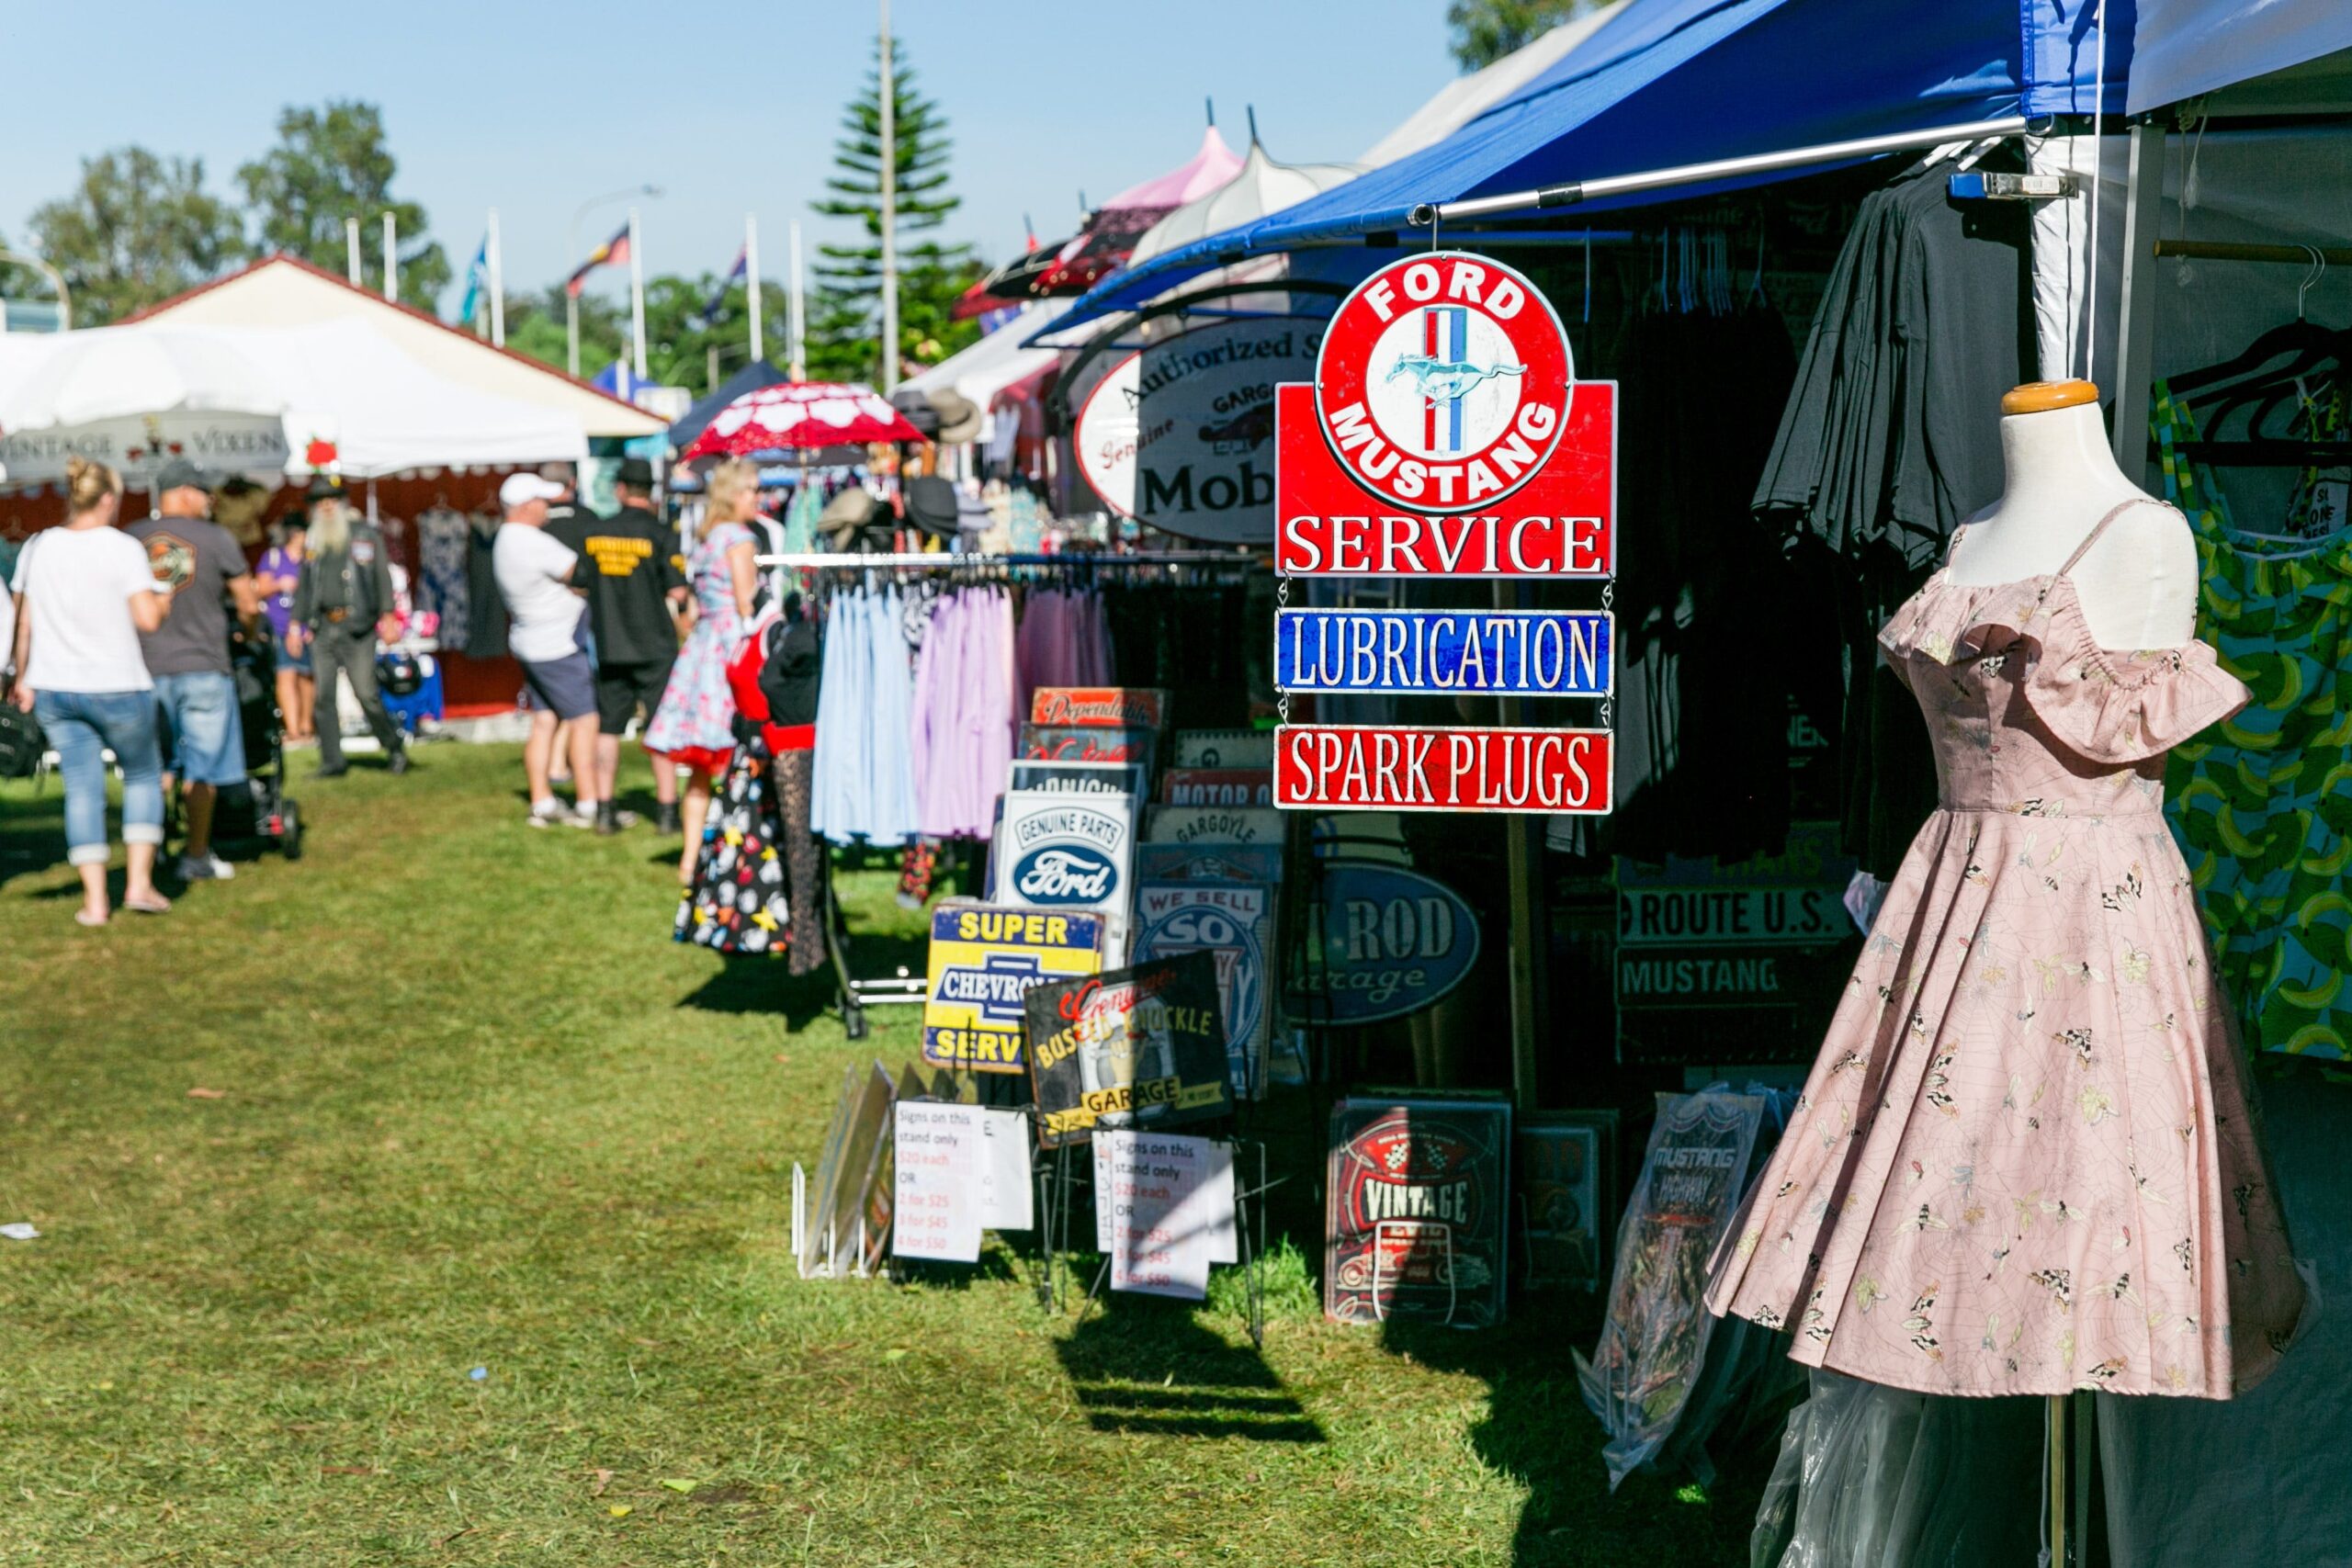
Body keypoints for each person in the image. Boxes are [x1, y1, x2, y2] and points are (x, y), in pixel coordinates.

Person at [6, 457, 171, 926]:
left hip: (55, 683)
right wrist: (164, 599)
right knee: (141, 775)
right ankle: (138, 883)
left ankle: (95, 902)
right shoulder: (122, 548)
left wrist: (23, 677)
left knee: (82, 789)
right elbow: (147, 619)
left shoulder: (39, 547)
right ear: (107, 499)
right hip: (117, 681)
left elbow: (25, 620)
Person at [127, 458, 263, 883]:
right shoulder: (216, 537)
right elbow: (248, 602)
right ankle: (196, 854)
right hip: (204, 666)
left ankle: (146, 858)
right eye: (205, 494)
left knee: (154, 770)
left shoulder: (129, 538)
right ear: (185, 491)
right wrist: (250, 635)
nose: (210, 502)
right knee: (202, 770)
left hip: (142, 670)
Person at [644, 457, 762, 881]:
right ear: (734, 494)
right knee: (737, 754)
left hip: (702, 649)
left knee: (700, 766)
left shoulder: (708, 538)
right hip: (731, 647)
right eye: (751, 489)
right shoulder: (739, 539)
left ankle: (690, 859)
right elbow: (747, 601)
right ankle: (737, 854)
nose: (757, 496)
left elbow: (694, 605)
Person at [565, 457, 688, 835]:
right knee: (660, 727)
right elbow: (678, 590)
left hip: (611, 644)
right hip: (655, 646)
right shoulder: (662, 533)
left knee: (609, 728)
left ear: (620, 488)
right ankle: (667, 811)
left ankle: (605, 809)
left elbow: (579, 581)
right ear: (648, 490)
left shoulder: (595, 532)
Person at [492, 471, 602, 828]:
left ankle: (542, 800)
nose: (547, 508)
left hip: (531, 642)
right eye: (541, 502)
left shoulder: (505, 539)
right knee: (585, 720)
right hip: (558, 645)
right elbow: (580, 572)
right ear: (525, 507)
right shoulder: (530, 541)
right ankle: (588, 804)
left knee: (543, 722)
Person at [288, 481, 410, 779]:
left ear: (341, 502)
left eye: (331, 499)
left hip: (358, 627)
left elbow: (382, 576)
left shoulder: (365, 534)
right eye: (319, 501)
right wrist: (296, 623)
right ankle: (332, 761)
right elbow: (304, 585)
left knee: (366, 692)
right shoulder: (313, 540)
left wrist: (389, 616)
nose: (326, 505)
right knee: (323, 697)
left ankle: (393, 746)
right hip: (323, 626)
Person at [254, 514, 314, 742]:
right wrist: (281, 584)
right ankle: (293, 729)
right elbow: (259, 588)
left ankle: (307, 725)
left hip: (308, 627)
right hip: (278, 625)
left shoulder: (310, 560)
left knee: (307, 676)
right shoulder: (273, 557)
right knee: (285, 674)